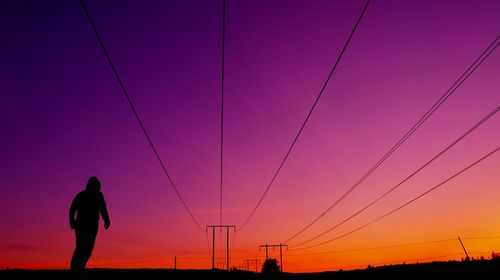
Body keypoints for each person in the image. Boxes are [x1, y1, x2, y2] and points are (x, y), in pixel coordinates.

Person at [69, 176, 110, 272]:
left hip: (92, 225)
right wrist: (71, 221)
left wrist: (106, 219)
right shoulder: (81, 195)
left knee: (88, 247)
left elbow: (103, 208)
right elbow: (72, 208)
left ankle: (80, 267)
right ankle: (75, 267)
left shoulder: (99, 196)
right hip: (81, 225)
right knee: (81, 246)